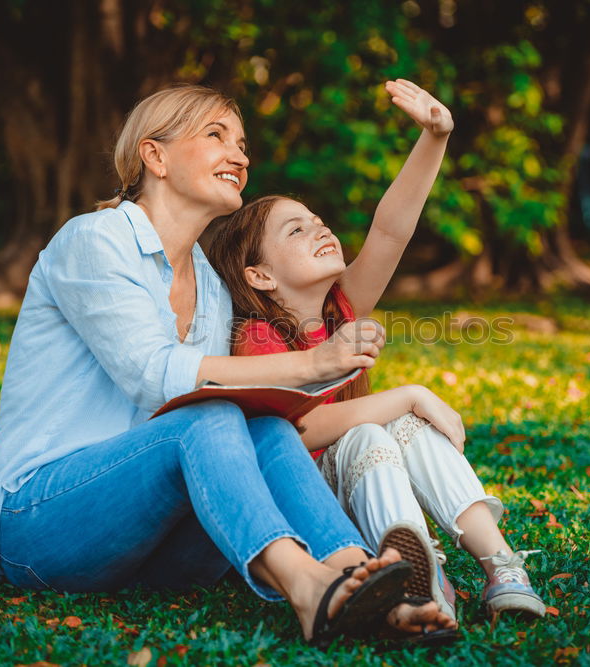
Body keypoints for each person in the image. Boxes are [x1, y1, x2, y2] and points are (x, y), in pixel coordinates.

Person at [0, 84, 457, 646]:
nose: (241, 155)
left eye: (242, 142)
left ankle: (363, 581)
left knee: (265, 426)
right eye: (216, 136)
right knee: (205, 417)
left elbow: (384, 240)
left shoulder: (211, 286)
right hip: (40, 525)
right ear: (154, 157)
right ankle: (309, 588)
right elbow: (153, 376)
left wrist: (435, 137)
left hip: (151, 548)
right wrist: (312, 365)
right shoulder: (95, 240)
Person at [208, 79, 548, 621]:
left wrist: (435, 136)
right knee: (373, 427)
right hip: (310, 512)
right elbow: (303, 430)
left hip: (364, 484)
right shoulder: (258, 338)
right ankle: (418, 580)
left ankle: (502, 567)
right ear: (260, 275)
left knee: (405, 429)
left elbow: (391, 230)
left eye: (318, 222)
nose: (321, 230)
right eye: (296, 231)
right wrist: (409, 394)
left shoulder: (342, 309)